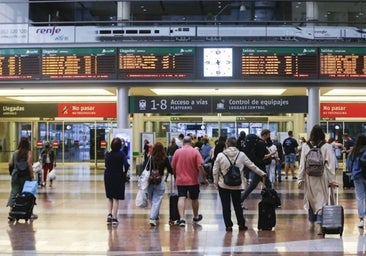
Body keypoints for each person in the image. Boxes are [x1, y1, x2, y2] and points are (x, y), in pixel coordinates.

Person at [213, 136, 267, 232]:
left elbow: (215, 171)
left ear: (227, 144)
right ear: (236, 144)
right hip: (237, 185)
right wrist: (262, 173)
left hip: (223, 185)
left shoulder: (220, 155)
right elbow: (252, 166)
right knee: (237, 205)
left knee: (226, 206)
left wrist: (216, 183)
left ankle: (228, 225)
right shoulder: (241, 155)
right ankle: (241, 224)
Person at [297, 125, 337, 235]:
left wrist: (300, 178)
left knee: (311, 200)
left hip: (309, 176)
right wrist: (332, 179)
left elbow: (302, 164)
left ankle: (311, 222)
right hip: (322, 176)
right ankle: (320, 224)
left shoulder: (305, 146)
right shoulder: (327, 146)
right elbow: (330, 165)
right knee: (322, 200)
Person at [171, 136, 209, 227]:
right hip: (193, 180)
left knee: (181, 197)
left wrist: (176, 176)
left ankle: (182, 219)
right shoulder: (195, 151)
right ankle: (196, 216)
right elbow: (200, 166)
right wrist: (205, 178)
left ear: (183, 142)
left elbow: (173, 166)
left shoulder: (177, 152)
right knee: (194, 198)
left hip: (181, 180)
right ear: (191, 142)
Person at [241, 130, 274, 204]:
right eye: (269, 135)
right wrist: (271, 154)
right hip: (259, 167)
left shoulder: (257, 143)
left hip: (258, 166)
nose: (269, 136)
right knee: (253, 185)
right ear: (265, 135)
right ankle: (241, 199)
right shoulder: (261, 143)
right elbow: (262, 157)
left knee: (268, 184)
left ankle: (270, 200)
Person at [7, 137, 35, 221]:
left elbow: (10, 163)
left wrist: (13, 171)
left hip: (15, 175)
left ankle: (11, 212)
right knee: (28, 193)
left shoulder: (15, 152)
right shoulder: (29, 153)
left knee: (14, 192)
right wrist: (32, 175)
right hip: (25, 175)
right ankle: (29, 212)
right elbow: (29, 164)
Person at [146, 142, 173, 226]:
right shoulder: (165, 158)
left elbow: (145, 168)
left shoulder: (150, 157)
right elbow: (170, 170)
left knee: (152, 199)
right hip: (159, 181)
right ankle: (153, 217)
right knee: (157, 200)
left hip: (149, 181)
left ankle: (155, 215)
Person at [104, 137, 129, 226]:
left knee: (109, 196)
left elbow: (106, 164)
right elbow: (126, 165)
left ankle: (109, 214)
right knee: (116, 198)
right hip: (118, 175)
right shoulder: (122, 154)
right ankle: (115, 218)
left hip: (108, 175)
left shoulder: (107, 154)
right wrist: (125, 172)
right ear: (120, 146)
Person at [346, 134, 366, 228]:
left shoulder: (353, 152)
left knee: (360, 197)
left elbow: (349, 165)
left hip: (357, 177)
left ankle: (361, 220)